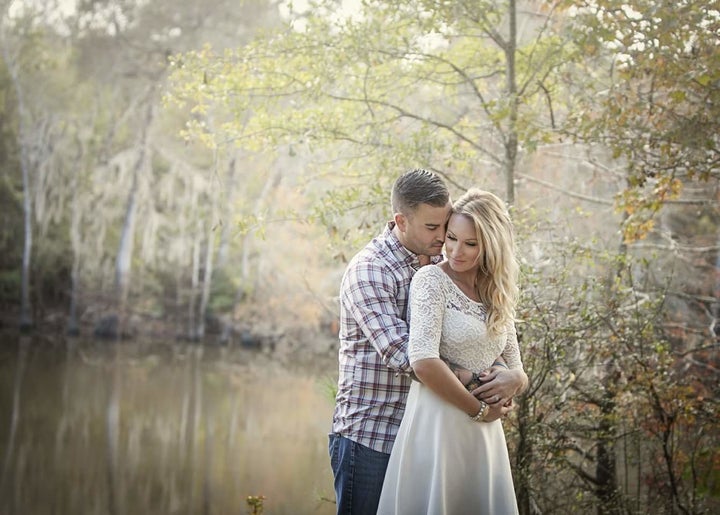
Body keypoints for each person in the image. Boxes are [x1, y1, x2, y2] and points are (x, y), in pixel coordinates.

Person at [328, 170, 524, 515]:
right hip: (374, 433)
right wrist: (482, 390)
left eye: (445, 227)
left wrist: (512, 379)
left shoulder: (445, 259)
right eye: (433, 229)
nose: (444, 240)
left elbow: (478, 334)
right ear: (401, 221)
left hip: (434, 432)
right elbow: (404, 354)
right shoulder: (369, 271)